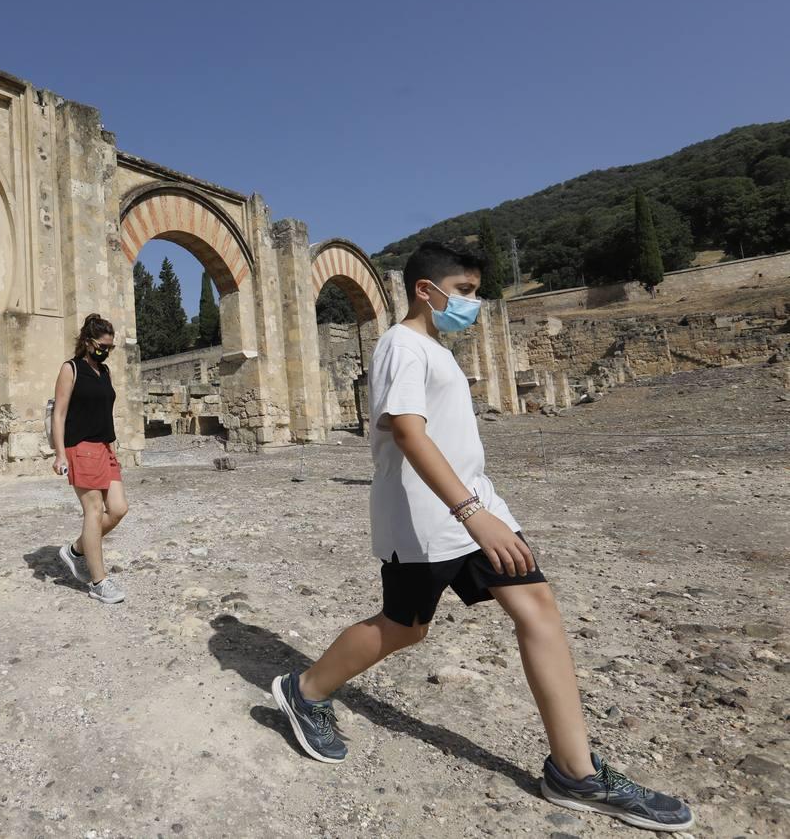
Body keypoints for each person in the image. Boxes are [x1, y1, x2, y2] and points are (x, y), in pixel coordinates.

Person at [269, 241, 694, 832]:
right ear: (426, 289)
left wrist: (480, 506)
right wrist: (472, 513)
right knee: (405, 627)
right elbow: (411, 435)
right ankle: (305, 688)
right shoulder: (401, 344)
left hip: (473, 505)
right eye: (465, 291)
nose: (473, 302)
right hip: (428, 516)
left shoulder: (434, 348)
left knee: (538, 606)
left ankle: (575, 773)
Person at [50, 313, 129, 603]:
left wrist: (111, 445)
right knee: (94, 512)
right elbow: (58, 414)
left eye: (110, 347)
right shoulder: (70, 369)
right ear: (87, 340)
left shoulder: (104, 372)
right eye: (102, 345)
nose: (105, 351)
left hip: (104, 447)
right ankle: (99, 582)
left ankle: (74, 550)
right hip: (80, 446)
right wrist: (60, 454)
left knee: (119, 509)